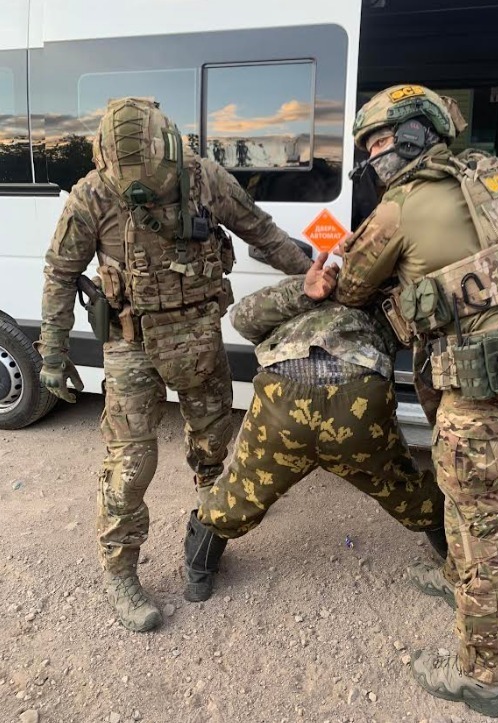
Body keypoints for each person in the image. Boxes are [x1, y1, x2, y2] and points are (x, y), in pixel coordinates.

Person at [334, 85, 498, 717]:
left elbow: (351, 289)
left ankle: (483, 677)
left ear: (415, 134)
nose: (373, 155)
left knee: (478, 524)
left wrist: (354, 259)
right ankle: (455, 579)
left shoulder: (399, 208)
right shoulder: (486, 175)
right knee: (466, 498)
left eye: (380, 140)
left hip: (480, 385)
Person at [37, 97, 312, 633]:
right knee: (131, 464)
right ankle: (121, 571)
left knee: (212, 441)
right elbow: (60, 274)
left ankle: (208, 520)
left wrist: (311, 277)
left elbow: (261, 232)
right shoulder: (93, 196)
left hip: (198, 337)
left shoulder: (206, 179)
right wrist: (52, 353)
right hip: (132, 345)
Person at [182, 251, 448, 604]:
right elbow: (421, 335)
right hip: (357, 406)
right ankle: (458, 565)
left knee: (240, 492)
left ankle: (199, 576)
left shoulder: (298, 292)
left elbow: (242, 318)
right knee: (405, 487)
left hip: (283, 403)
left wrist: (303, 293)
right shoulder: (383, 302)